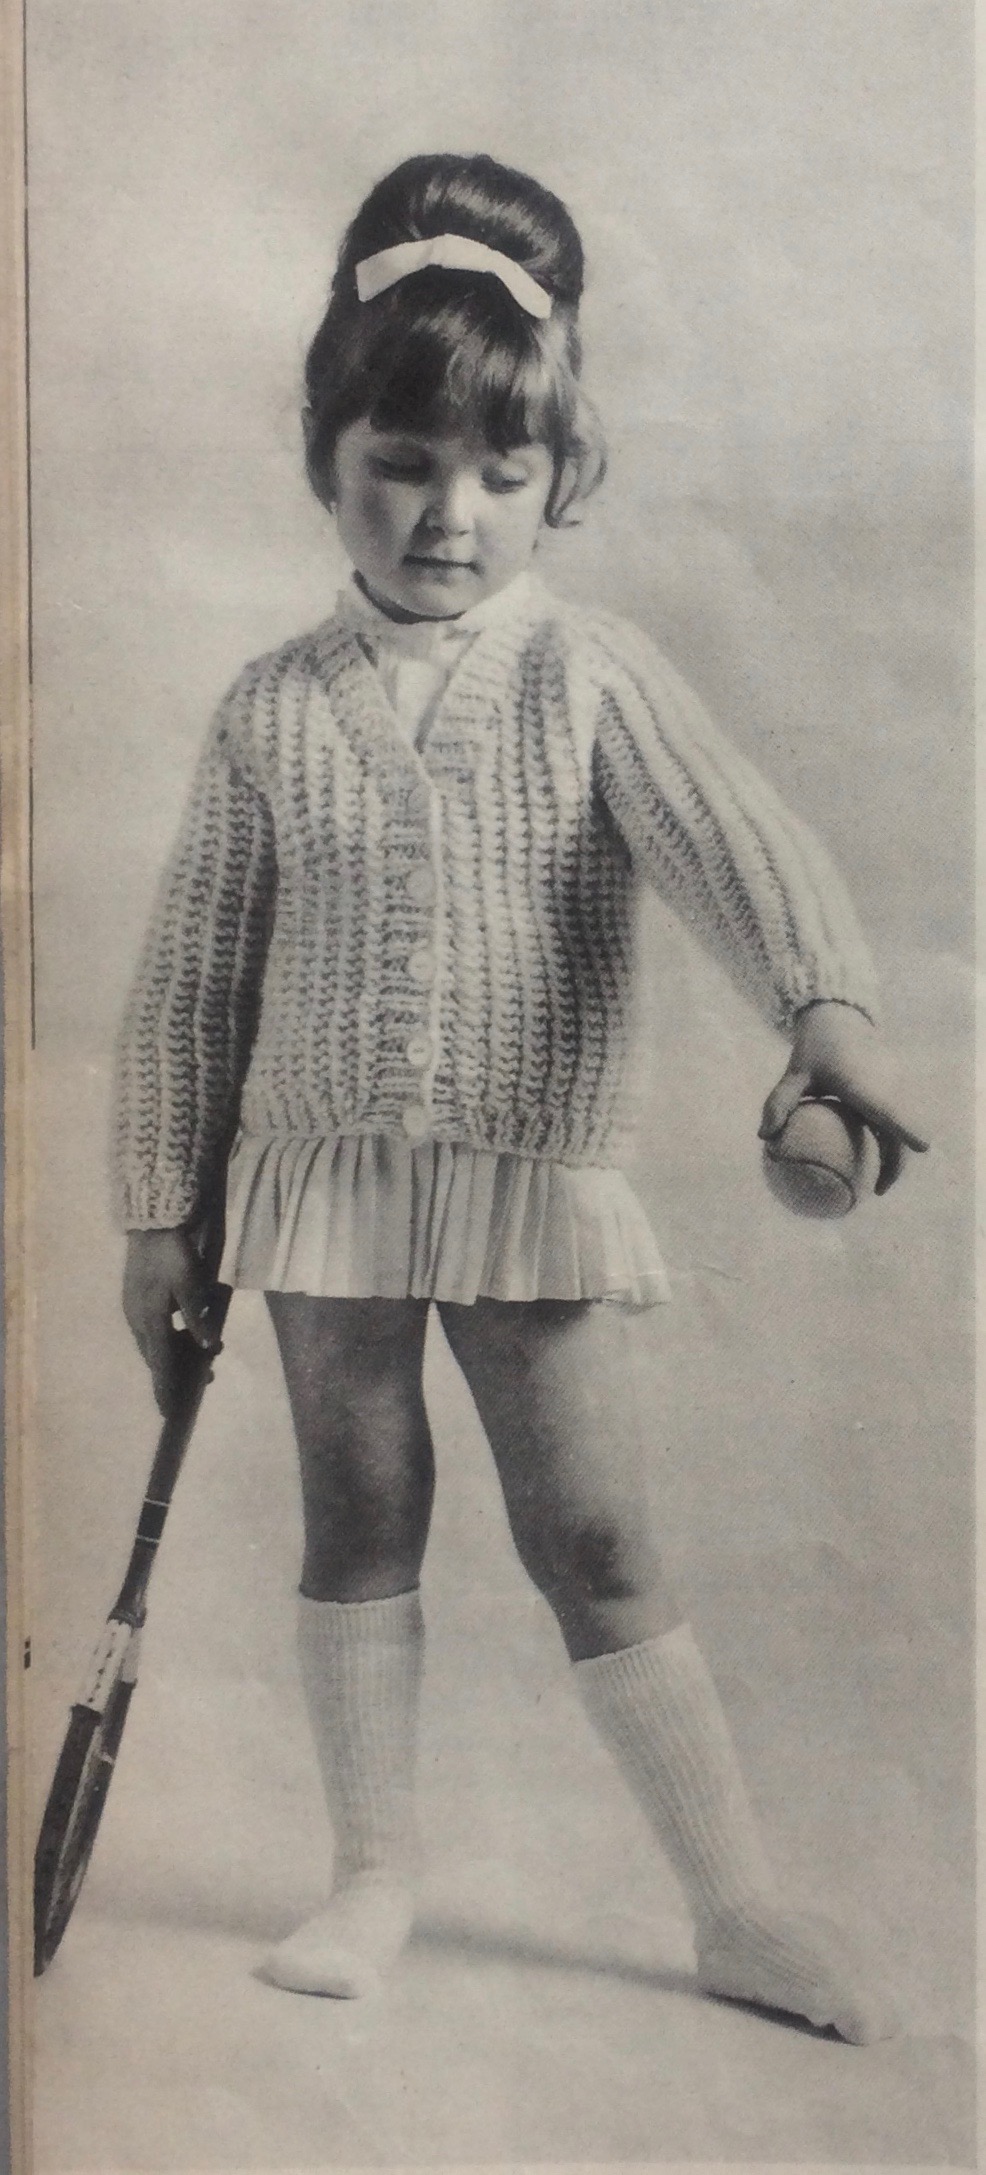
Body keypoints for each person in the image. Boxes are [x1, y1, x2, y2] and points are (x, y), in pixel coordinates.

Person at [115, 151, 927, 2038]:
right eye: (401, 464)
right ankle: (372, 1876)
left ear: (563, 474)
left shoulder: (589, 675)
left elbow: (741, 849)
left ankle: (733, 1906)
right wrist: (159, 1212)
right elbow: (186, 989)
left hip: (524, 1175)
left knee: (597, 1538)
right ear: (325, 457)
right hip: (315, 1180)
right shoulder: (269, 709)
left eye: (500, 472)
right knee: (360, 1513)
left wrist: (823, 1013)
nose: (447, 515)